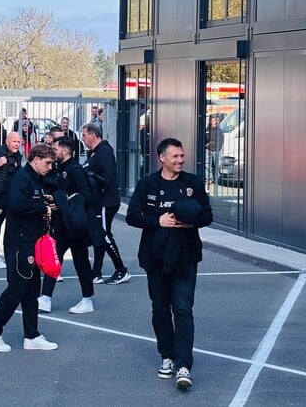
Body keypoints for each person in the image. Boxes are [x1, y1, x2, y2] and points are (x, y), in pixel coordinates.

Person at [126, 138, 213, 390]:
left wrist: (191, 222)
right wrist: (157, 221)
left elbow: (207, 215)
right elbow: (132, 216)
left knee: (183, 309)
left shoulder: (193, 184)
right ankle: (167, 356)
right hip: (156, 258)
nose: (180, 160)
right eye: (175, 156)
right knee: (161, 310)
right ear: (161, 158)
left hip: (185, 257)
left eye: (182, 156)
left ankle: (184, 365)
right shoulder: (147, 184)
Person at [0, 144, 59, 353]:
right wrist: (43, 207)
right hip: (19, 243)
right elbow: (16, 205)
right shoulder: (22, 179)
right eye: (48, 163)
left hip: (32, 242)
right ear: (36, 158)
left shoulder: (36, 180)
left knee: (32, 290)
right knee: (16, 289)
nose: (50, 167)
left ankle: (32, 335)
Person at [38, 137, 97, 314]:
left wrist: (63, 202)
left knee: (81, 261)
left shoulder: (76, 169)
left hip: (74, 223)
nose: (52, 151)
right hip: (61, 222)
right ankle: (45, 297)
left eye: (55, 148)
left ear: (65, 150)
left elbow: (86, 195)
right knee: (53, 257)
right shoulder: (57, 168)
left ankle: (87, 299)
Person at [82, 123, 130, 285]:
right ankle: (96, 272)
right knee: (99, 234)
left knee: (103, 235)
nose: (83, 139)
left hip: (105, 201)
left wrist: (92, 179)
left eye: (84, 135)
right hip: (99, 201)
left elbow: (107, 178)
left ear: (93, 135)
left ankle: (121, 269)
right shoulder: (95, 153)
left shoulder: (104, 152)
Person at [0, 132, 23, 269]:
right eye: (14, 142)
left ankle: (10, 255)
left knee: (12, 228)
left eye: (18, 142)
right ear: (7, 141)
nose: (16, 145)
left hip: (12, 197)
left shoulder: (18, 155)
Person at [204, 116, 224, 189]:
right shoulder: (206, 130)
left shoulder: (219, 131)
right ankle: (209, 179)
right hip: (207, 150)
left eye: (215, 121)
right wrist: (206, 145)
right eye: (212, 121)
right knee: (207, 165)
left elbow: (221, 140)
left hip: (216, 150)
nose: (214, 122)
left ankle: (217, 179)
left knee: (216, 165)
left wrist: (214, 145)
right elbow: (204, 139)